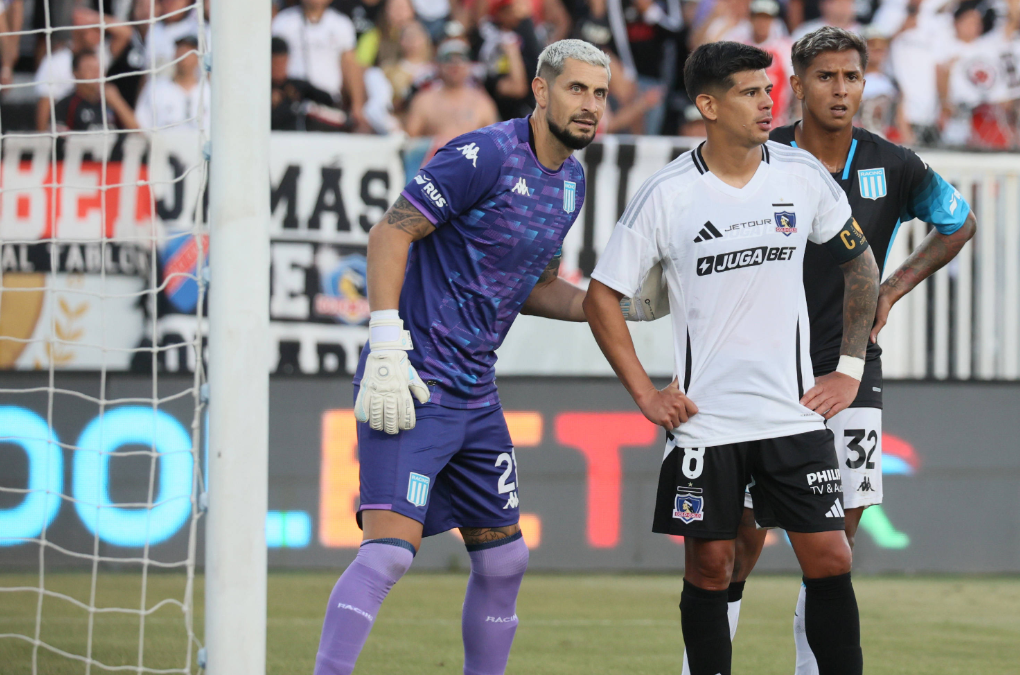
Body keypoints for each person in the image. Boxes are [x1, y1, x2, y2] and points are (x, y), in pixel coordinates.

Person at [310, 39, 614, 675]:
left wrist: (615, 306)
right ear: (539, 90)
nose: (590, 105)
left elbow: (536, 287)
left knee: (505, 560)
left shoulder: (572, 183)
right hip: (413, 378)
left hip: (476, 391)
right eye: (576, 89)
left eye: (600, 93)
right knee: (389, 553)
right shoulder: (483, 155)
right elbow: (391, 231)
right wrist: (386, 343)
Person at [584, 40, 878, 675]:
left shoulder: (801, 175)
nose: (768, 102)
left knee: (831, 557)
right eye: (750, 92)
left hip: (791, 415)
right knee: (712, 565)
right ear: (709, 105)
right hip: (707, 422)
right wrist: (646, 394)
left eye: (768, 90)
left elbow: (861, 266)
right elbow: (601, 297)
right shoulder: (666, 194)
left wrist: (849, 369)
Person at [763, 27, 976, 674]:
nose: (840, 89)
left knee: (838, 536)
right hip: (764, 365)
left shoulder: (895, 164)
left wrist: (893, 287)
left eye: (851, 77)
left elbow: (959, 222)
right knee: (740, 537)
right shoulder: (762, 157)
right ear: (797, 85)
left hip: (852, 366)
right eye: (825, 77)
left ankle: (810, 666)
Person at [272, 0, 368, 131]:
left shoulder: (341, 24)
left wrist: (357, 106)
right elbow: (275, 61)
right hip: (292, 102)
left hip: (328, 103)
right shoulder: (283, 22)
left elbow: (350, 65)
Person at [404, 39, 498, 138]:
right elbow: (410, 139)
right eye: (448, 60)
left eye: (461, 59)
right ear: (438, 65)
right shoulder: (424, 101)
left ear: (469, 65)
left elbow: (495, 140)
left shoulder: (482, 102)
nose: (455, 65)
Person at [135, 36, 209, 131]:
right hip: (164, 140)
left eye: (189, 52)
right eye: (180, 51)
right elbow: (141, 124)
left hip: (202, 140)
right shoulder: (156, 88)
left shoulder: (210, 91)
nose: (184, 56)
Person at [54, 49, 139, 131]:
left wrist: (117, 101)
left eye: (99, 68)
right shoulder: (66, 105)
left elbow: (137, 130)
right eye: (90, 69)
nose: (96, 73)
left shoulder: (110, 102)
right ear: (76, 73)